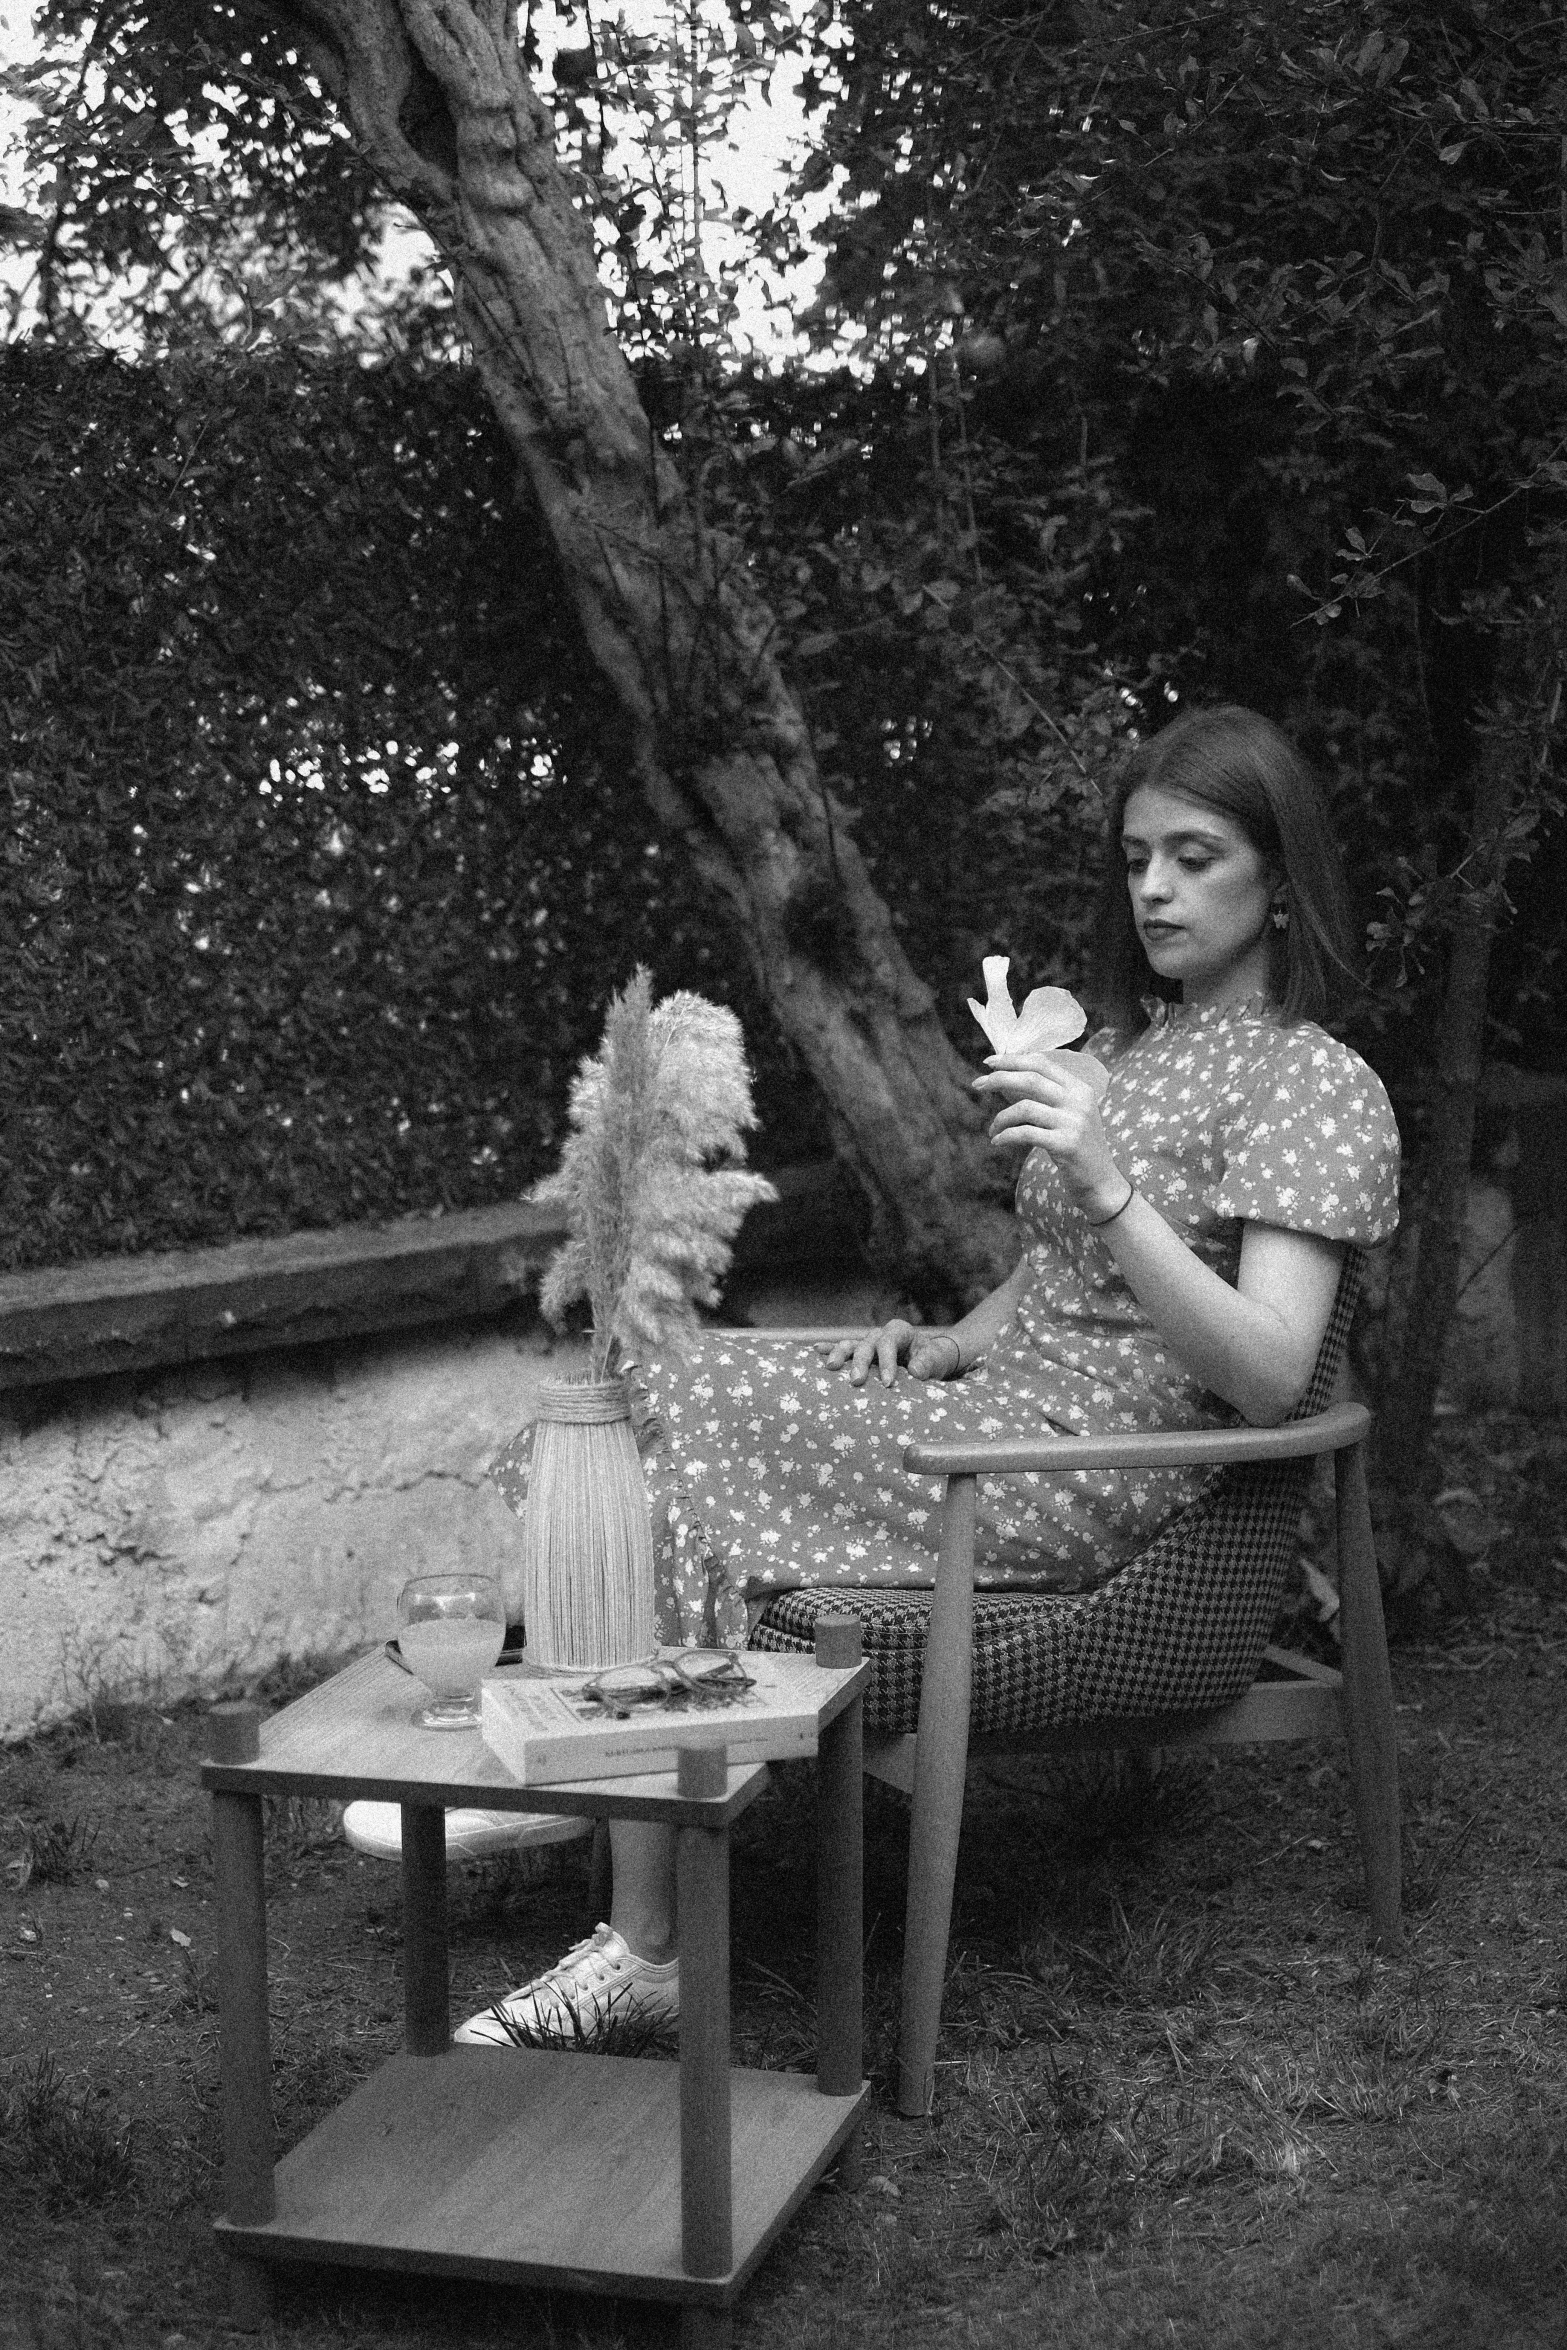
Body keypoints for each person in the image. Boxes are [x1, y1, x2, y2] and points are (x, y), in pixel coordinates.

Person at [457, 703, 1400, 2045]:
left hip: (1100, 1493)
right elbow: (1065, 1266)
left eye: (1192, 856)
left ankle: (633, 1894)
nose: (1152, 887)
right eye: (1136, 856)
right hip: (1006, 1415)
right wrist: (959, 1333)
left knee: (686, 1414)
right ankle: (598, 1751)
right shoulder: (1129, 1053)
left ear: (1282, 877)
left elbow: (1265, 1370)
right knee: (673, 1375)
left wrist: (1107, 1179)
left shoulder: (1316, 1085)